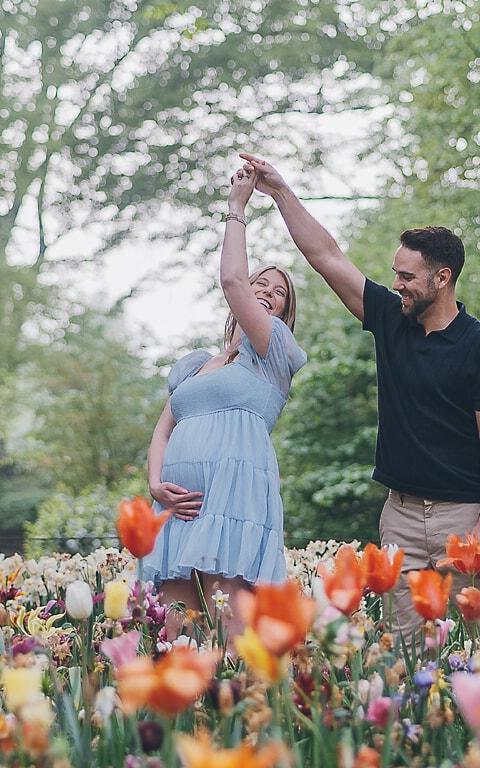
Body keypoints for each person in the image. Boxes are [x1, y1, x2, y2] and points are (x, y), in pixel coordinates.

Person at [238, 153, 480, 639]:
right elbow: (326, 258)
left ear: (442, 278)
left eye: (407, 276)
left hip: (465, 517)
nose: (397, 285)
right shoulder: (391, 318)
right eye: (395, 273)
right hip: (401, 519)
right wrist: (280, 191)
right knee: (407, 658)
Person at [140, 164, 307, 644]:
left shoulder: (272, 351)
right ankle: (184, 716)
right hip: (179, 504)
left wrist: (237, 209)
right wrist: (156, 484)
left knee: (230, 627)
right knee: (177, 630)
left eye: (280, 293)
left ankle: (239, 709)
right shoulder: (197, 365)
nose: (268, 293)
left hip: (232, 497)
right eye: (263, 283)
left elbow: (231, 281)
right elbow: (163, 429)